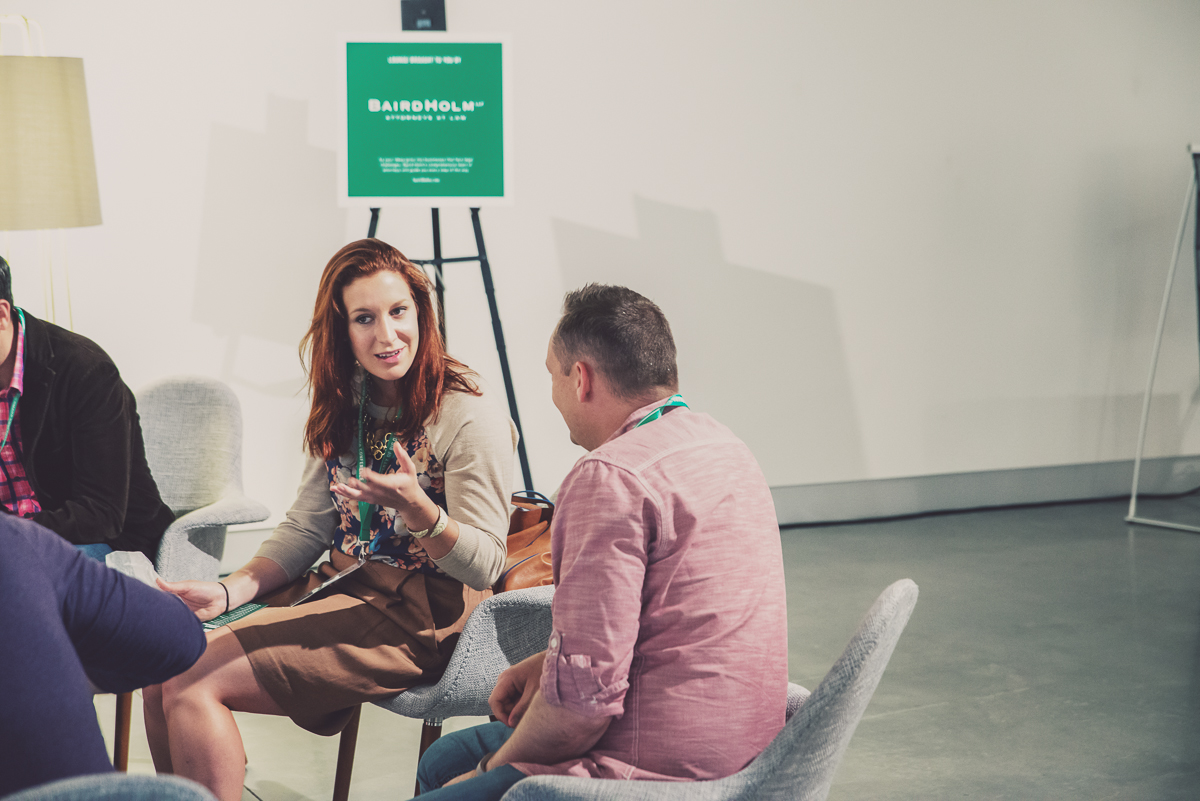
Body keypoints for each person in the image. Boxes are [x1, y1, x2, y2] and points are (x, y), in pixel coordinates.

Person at [143, 239, 517, 801]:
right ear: (341, 331)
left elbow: (486, 565)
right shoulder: (349, 401)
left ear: (422, 314)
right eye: (364, 319)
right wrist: (226, 590)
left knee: (194, 682)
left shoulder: (466, 412)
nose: (386, 336)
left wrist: (420, 511)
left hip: (418, 612)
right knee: (162, 661)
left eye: (398, 313)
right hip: (340, 585)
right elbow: (307, 527)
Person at [415, 284, 790, 799]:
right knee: (442, 758)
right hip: (750, 753)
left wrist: (487, 771)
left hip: (654, 770)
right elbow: (665, 627)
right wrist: (549, 664)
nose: (553, 393)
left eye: (552, 374)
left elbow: (580, 708)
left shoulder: (609, 478)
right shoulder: (725, 446)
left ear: (581, 378)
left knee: (460, 776)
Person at [0, 514, 206, 796]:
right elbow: (181, 638)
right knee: (183, 795)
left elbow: (101, 512)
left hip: (106, 538)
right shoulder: (14, 540)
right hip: (64, 791)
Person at [0, 255, 175, 561]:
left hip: (102, 540)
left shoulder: (86, 370)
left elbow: (101, 514)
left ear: (2, 314)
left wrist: (11, 534)